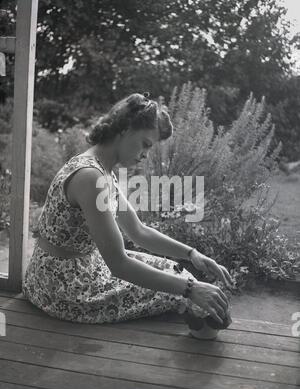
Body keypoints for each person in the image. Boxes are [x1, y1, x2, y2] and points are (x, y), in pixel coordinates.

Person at [23, 92, 234, 340]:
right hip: (64, 288)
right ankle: (201, 338)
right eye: (145, 144)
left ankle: (201, 320)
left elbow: (138, 231)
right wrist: (191, 290)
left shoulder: (102, 170)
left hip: (81, 270)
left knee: (175, 271)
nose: (146, 154)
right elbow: (119, 264)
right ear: (124, 129)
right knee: (182, 291)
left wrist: (191, 254)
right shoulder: (91, 177)